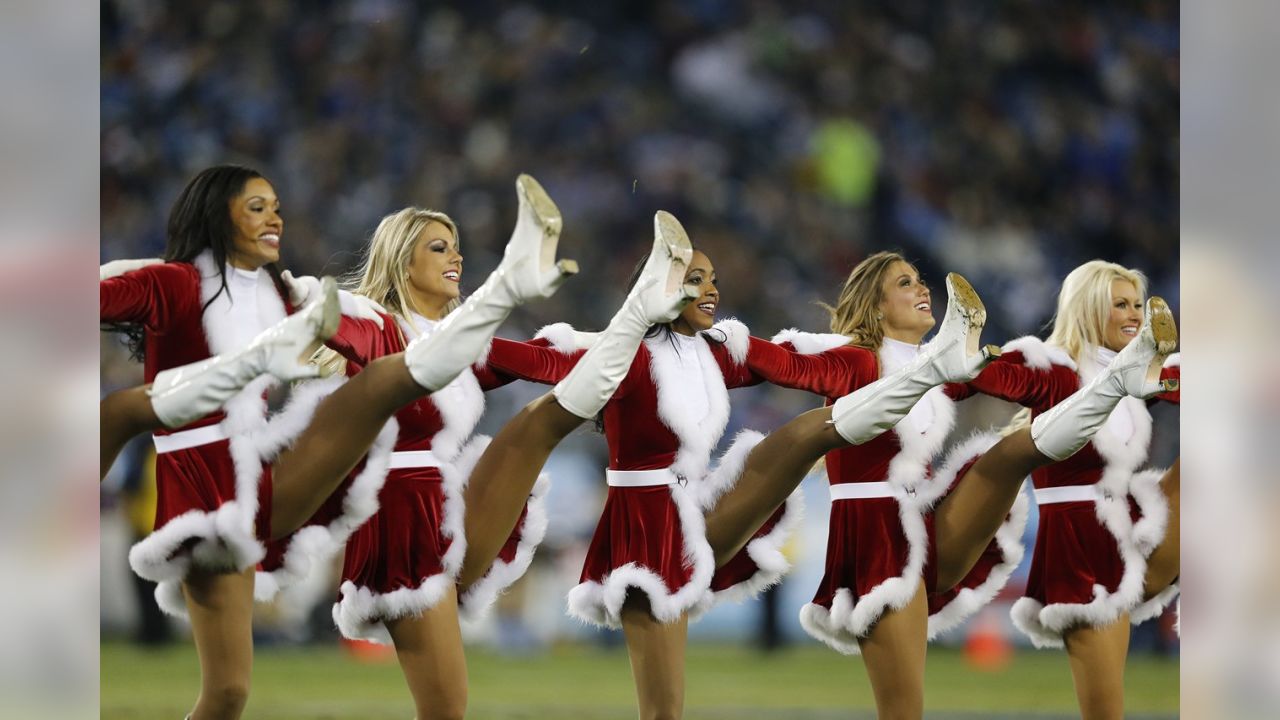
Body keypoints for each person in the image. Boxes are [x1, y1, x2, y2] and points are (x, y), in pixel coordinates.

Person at [101, 166, 575, 720]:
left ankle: (518, 284)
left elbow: (550, 360)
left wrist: (644, 340)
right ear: (214, 215)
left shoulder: (270, 292)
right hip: (201, 479)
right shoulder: (168, 281)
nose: (275, 216)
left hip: (264, 470)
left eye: (275, 205)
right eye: (257, 207)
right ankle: (510, 283)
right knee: (227, 694)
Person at [695, 253, 1176, 720]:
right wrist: (703, 339)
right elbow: (778, 361)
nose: (922, 288)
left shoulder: (938, 370)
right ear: (877, 305)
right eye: (905, 284)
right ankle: (1119, 379)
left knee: (1005, 458)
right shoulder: (855, 361)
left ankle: (1124, 377)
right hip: (876, 537)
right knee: (903, 709)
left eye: (919, 280)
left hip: (925, 526)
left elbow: (987, 372)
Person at [480, 247, 804, 719]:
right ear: (661, 287)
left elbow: (795, 364)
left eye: (713, 278)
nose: (712, 289)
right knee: (663, 708)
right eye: (696, 278)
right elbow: (533, 359)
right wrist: (426, 347)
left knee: (805, 435)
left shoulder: (709, 355)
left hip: (696, 508)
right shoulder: (621, 353)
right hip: (645, 526)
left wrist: (881, 358)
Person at [950, 260, 1180, 719]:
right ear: (1091, 309)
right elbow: (989, 375)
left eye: (1139, 304)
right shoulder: (1054, 368)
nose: (1135, 314)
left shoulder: (1137, 371)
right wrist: (962, 351)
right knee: (1104, 710)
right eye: (1121, 304)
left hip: (1133, 524)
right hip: (1081, 546)